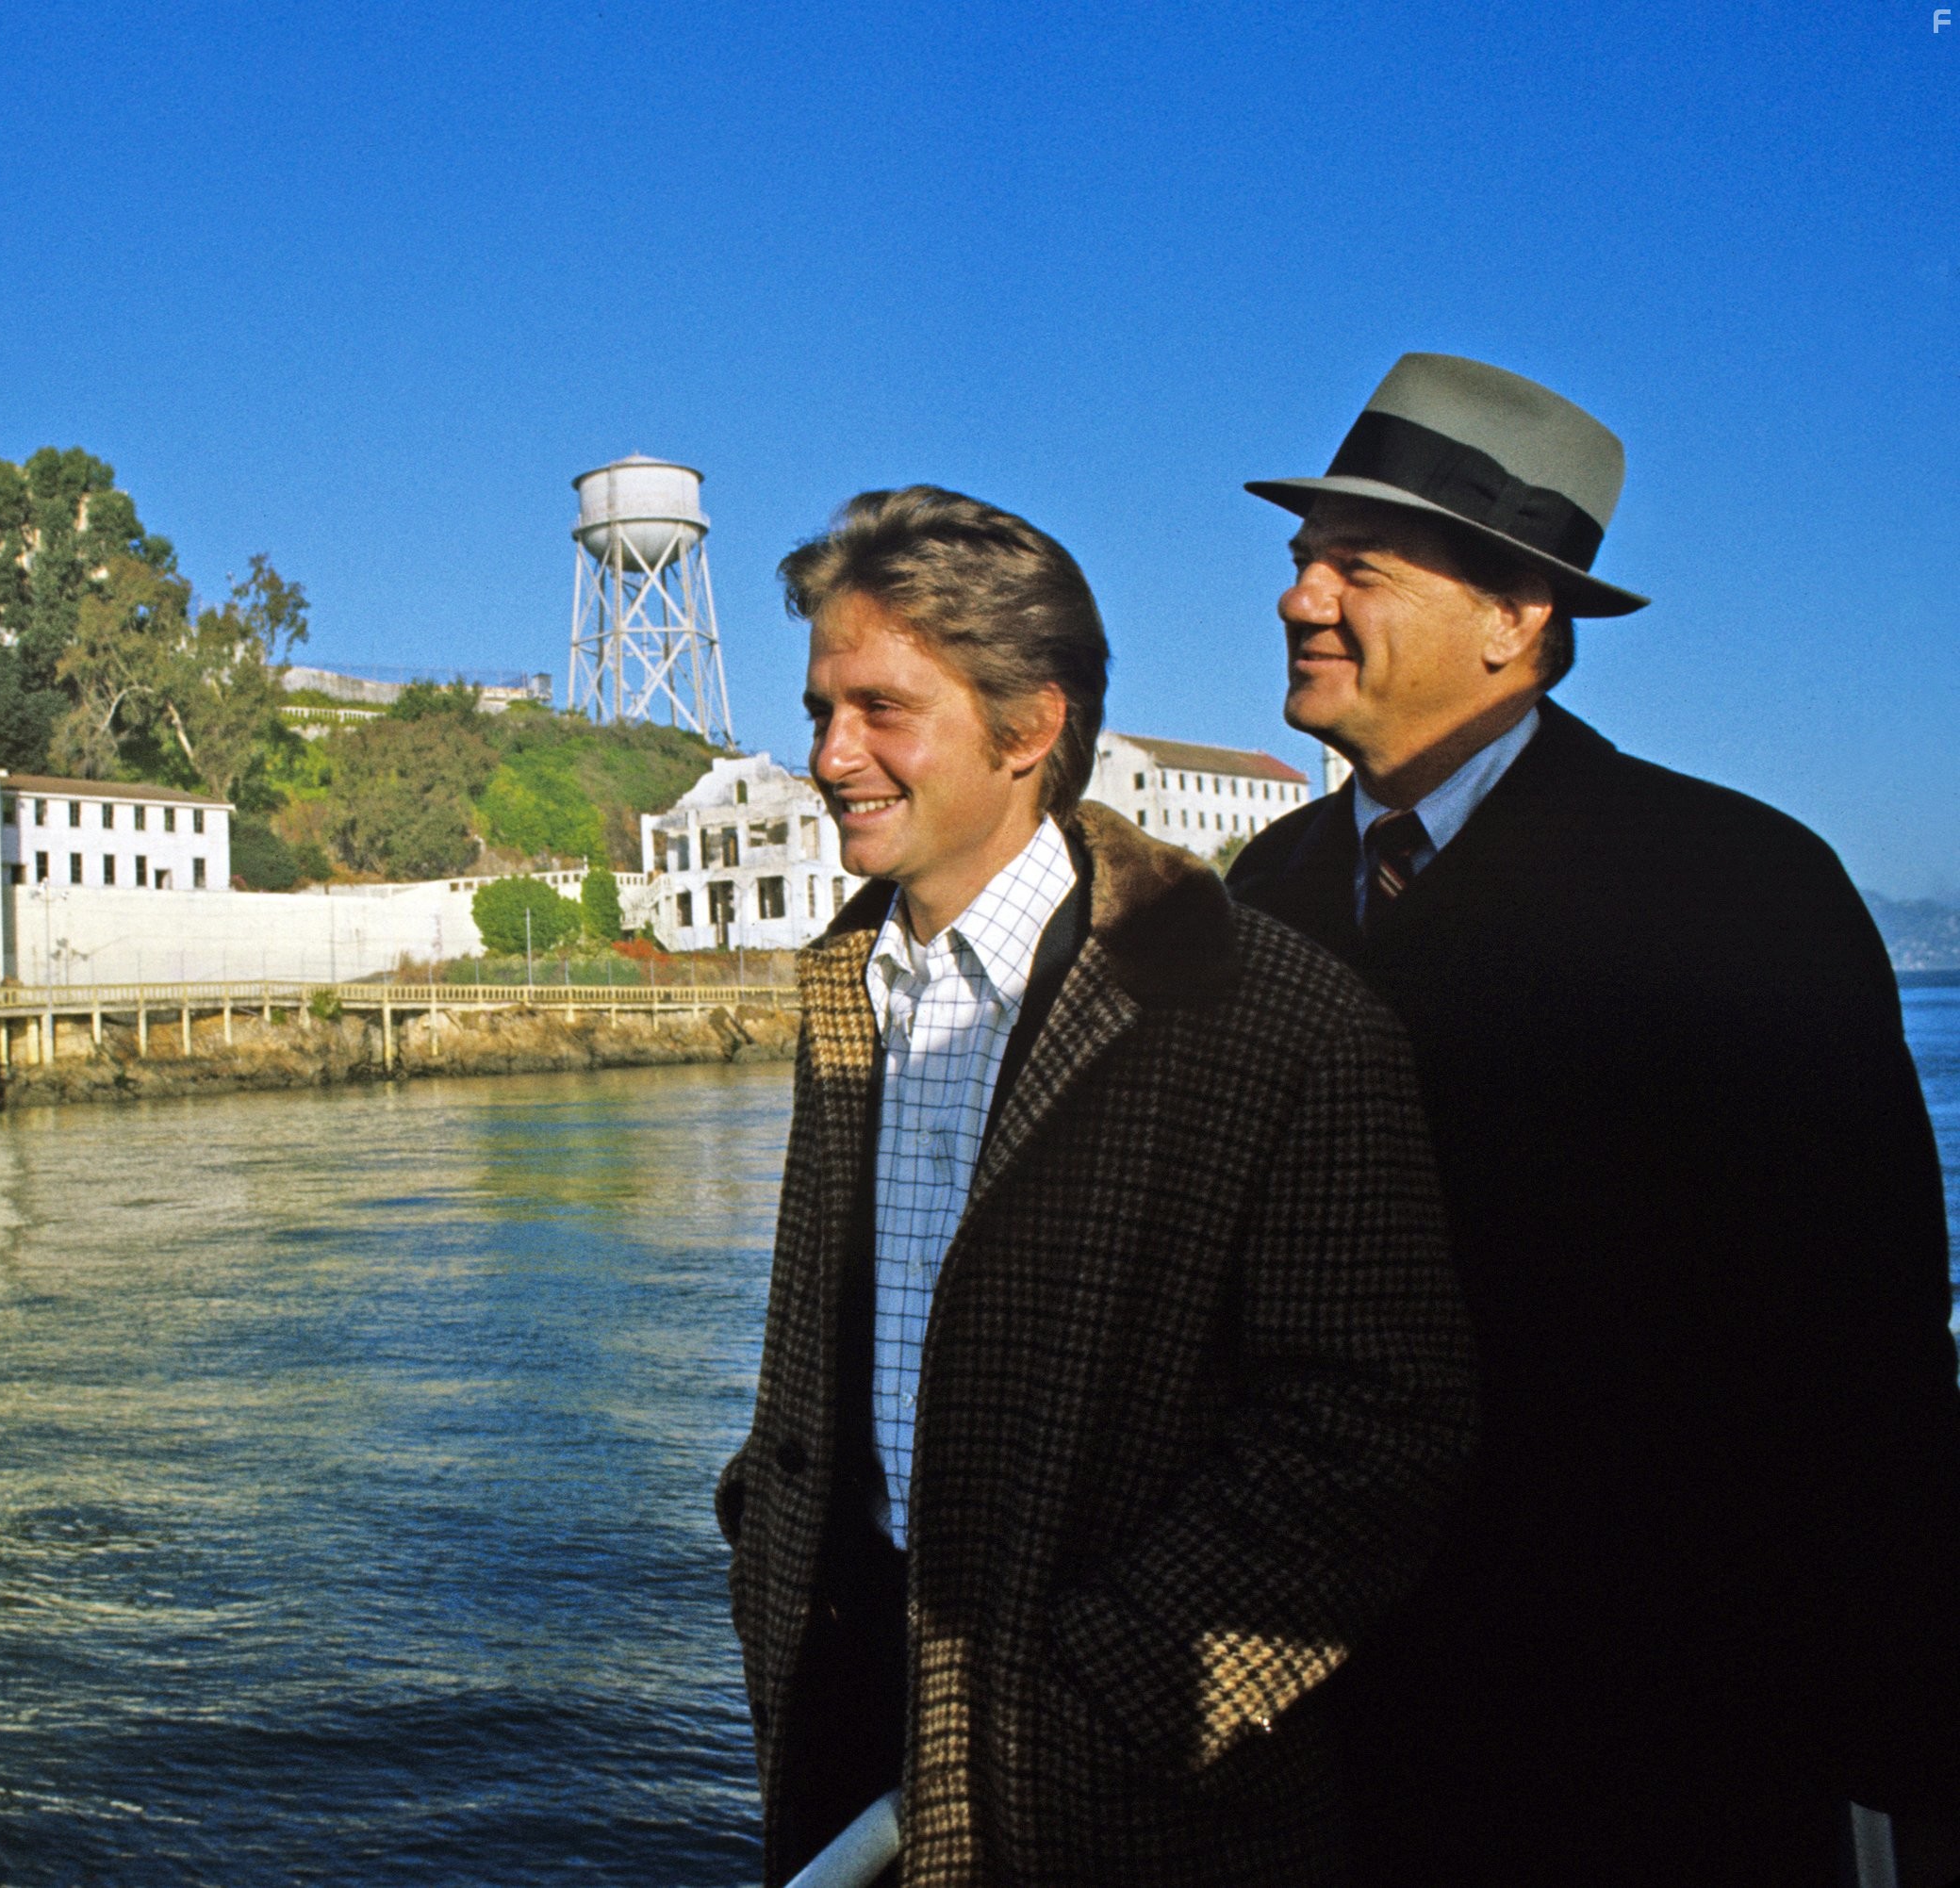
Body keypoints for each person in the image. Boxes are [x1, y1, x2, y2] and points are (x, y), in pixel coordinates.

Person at [1227, 353, 1960, 1885]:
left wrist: (1890, 1735)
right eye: (1301, 560)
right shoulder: (1262, 895)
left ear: (1517, 619)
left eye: (1355, 567)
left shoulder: (1737, 888)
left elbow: (1867, 1350)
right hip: (1317, 1725)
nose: (1300, 599)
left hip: (1644, 1739)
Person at [717, 486, 1476, 1886]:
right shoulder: (847, 984)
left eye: (883, 708)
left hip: (1115, 1782)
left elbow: (1375, 1434)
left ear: (1032, 726)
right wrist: (771, 1537)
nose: (830, 756)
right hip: (842, 1689)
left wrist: (1104, 1683)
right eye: (820, 706)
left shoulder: (1277, 1019)